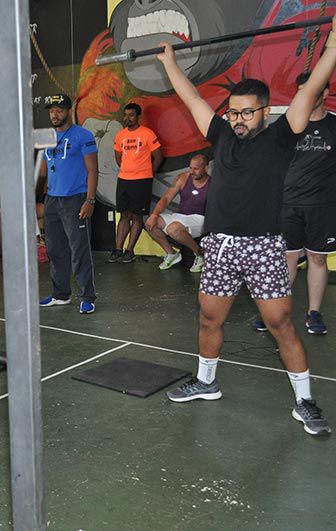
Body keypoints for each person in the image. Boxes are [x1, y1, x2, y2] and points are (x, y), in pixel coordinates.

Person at [156, 30, 336, 436]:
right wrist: (169, 64)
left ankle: (305, 401)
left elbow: (311, 90)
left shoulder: (282, 136)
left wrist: (333, 46)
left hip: (264, 246)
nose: (238, 119)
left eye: (247, 112)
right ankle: (206, 382)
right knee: (209, 318)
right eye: (233, 112)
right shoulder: (220, 135)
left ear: (265, 111)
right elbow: (192, 98)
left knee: (281, 322)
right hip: (220, 245)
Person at [272, 71, 336, 336]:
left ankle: (314, 313)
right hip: (288, 203)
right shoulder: (290, 126)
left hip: (323, 205)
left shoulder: (334, 126)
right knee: (287, 257)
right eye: (300, 91)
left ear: (325, 93)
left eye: (311, 90)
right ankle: (276, 313)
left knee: (317, 258)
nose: (305, 96)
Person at [35, 93, 99, 313]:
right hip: (52, 200)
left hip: (75, 199)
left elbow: (93, 170)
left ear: (69, 111)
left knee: (79, 250)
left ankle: (87, 296)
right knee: (55, 249)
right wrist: (36, 195)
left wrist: (90, 200)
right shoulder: (48, 137)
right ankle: (60, 294)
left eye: (59, 110)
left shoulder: (83, 135)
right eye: (52, 111)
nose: (54, 114)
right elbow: (43, 171)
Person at [110, 102, 163, 263]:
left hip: (142, 181)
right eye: (125, 115)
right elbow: (118, 157)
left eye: (131, 115)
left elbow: (158, 157)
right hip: (124, 180)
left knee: (136, 216)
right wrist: (128, 170)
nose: (128, 118)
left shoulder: (147, 133)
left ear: (139, 117)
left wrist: (147, 173)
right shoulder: (120, 135)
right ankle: (118, 250)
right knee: (124, 215)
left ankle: (130, 250)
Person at [144, 153, 210, 272]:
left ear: (206, 168)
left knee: (173, 229)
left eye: (196, 168)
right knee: (151, 224)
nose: (192, 172)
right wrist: (154, 215)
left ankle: (200, 254)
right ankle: (172, 254)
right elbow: (166, 199)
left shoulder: (213, 183)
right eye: (190, 168)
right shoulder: (182, 178)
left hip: (201, 218)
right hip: (181, 216)